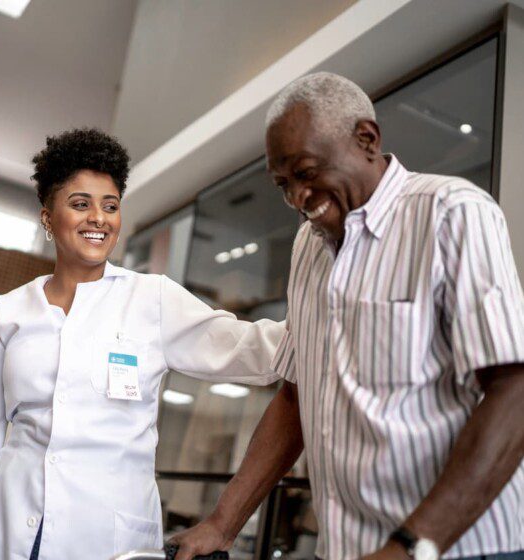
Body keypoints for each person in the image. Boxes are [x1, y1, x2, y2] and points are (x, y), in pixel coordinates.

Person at [171, 72, 524, 560]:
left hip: (456, 549)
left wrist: (410, 546)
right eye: (283, 184)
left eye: (307, 171)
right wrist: (221, 523)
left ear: (367, 139)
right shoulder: (307, 247)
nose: (298, 197)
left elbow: (515, 390)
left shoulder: (451, 212)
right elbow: (296, 396)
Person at [0, 128, 287, 560]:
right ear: (48, 217)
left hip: (107, 534)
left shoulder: (152, 299)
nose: (98, 219)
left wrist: (324, 326)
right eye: (80, 204)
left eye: (110, 206)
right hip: (9, 525)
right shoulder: (10, 311)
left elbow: (248, 347)